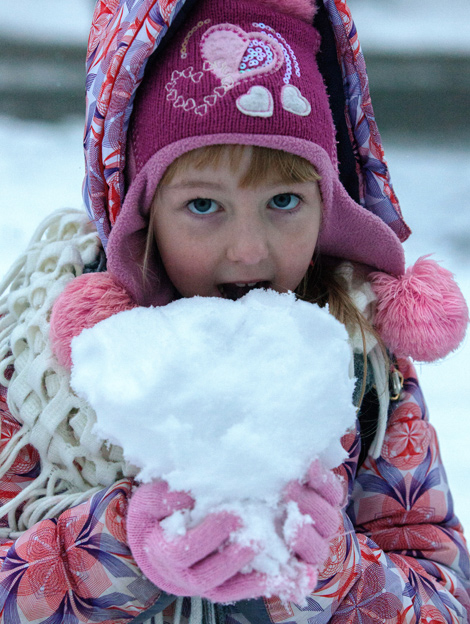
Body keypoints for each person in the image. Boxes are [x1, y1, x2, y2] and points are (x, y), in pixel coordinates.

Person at [0, 0, 469, 622]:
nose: (248, 251)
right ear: (140, 216)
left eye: (283, 200)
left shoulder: (366, 368)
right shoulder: (39, 364)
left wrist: (327, 567)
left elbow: (443, 597)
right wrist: (118, 549)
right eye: (202, 205)